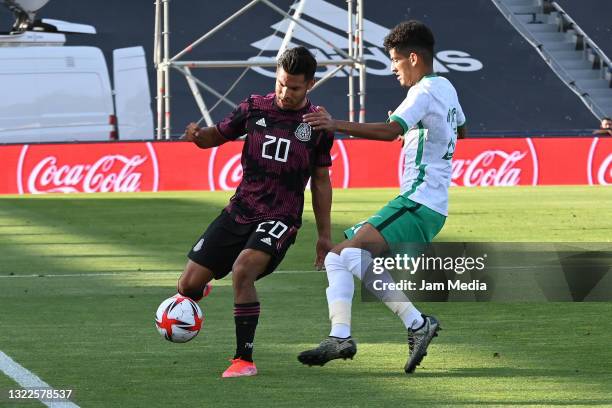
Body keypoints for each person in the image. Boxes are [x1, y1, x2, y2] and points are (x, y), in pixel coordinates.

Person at [297, 20, 467, 374]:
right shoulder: (446, 87)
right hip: (425, 204)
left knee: (352, 253)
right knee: (337, 257)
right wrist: (420, 132)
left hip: (419, 202)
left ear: (414, 58)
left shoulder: (422, 92)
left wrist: (335, 124)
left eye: (395, 60)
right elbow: (461, 129)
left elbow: (390, 131)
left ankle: (416, 324)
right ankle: (341, 335)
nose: (393, 68)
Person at [178, 46, 333, 378]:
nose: (285, 93)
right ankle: (202, 285)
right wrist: (197, 137)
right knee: (186, 288)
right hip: (240, 209)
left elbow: (321, 181)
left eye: (294, 87)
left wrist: (323, 236)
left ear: (310, 84)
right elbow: (215, 136)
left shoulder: (317, 124)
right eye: (281, 84)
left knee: (242, 270)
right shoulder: (253, 107)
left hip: (281, 216)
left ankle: (243, 360)